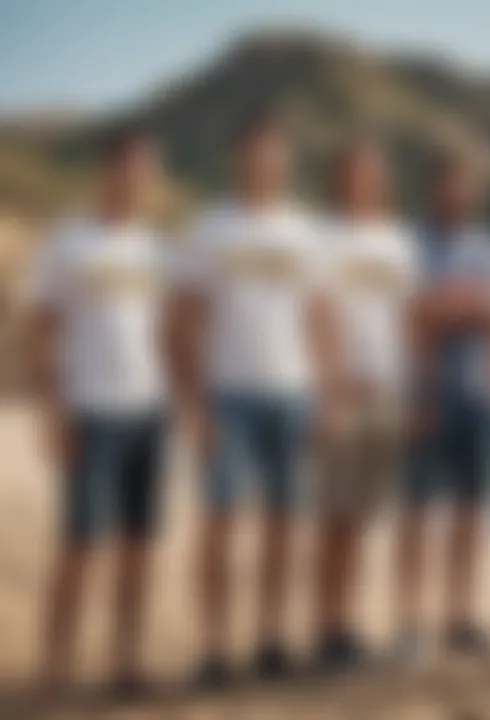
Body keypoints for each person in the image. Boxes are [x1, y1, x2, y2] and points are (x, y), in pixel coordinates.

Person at [170, 113, 329, 685]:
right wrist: (194, 404)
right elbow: (184, 320)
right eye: (252, 151)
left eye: (272, 152)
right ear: (237, 159)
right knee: (220, 523)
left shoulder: (304, 231)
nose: (263, 161)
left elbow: (318, 318)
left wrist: (325, 396)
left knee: (284, 525)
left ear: (284, 160)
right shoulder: (209, 227)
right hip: (228, 396)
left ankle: (269, 639)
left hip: (293, 394)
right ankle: (214, 648)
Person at [28, 125, 168, 695]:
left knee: (138, 548)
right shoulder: (69, 241)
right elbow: (38, 331)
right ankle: (55, 670)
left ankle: (125, 664)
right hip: (90, 411)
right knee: (79, 546)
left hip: (149, 413)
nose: (134, 179)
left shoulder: (160, 248)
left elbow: (170, 331)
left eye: (146, 170)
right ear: (105, 172)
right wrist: (51, 412)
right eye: (126, 167)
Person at [313, 138, 418, 672]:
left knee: (359, 519)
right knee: (334, 515)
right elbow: (314, 315)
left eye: (372, 174)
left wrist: (414, 389)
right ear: (339, 180)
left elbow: (407, 319)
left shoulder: (398, 241)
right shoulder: (321, 238)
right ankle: (326, 628)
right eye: (353, 173)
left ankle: (343, 626)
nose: (363, 183)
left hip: (389, 393)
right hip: (343, 394)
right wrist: (328, 387)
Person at [395, 150, 490, 666]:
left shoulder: (487, 246)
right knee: (417, 511)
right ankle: (410, 625)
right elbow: (413, 312)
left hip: (479, 396)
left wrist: (448, 309)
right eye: (448, 184)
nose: (457, 194)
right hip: (423, 398)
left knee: (470, 511)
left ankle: (458, 617)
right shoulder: (409, 244)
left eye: (465, 185)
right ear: (434, 189)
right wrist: (459, 310)